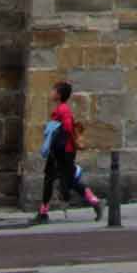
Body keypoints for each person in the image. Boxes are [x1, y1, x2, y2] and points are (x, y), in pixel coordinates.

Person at [31, 78, 103, 223]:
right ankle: (43, 212)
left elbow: (68, 127)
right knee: (56, 180)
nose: (51, 93)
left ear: (59, 94)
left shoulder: (62, 109)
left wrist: (58, 145)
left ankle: (44, 213)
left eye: (53, 90)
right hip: (62, 152)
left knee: (56, 180)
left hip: (62, 153)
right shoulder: (61, 109)